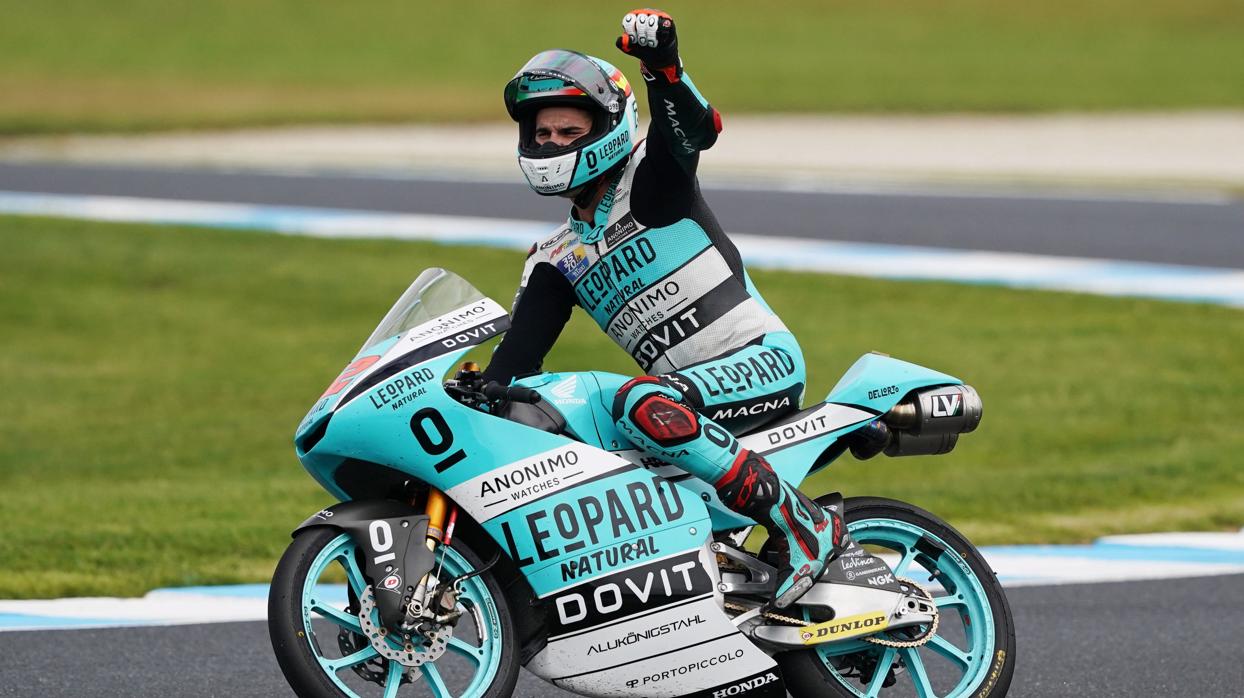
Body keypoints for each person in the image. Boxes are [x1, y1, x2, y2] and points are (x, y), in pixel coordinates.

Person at [484, 9, 847, 609]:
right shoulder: (553, 258)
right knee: (563, 422)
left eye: (568, 132)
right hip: (680, 396)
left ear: (607, 127)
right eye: (542, 134)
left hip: (758, 362)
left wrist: (662, 68)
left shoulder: (652, 186)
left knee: (635, 400)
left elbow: (694, 131)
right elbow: (513, 366)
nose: (550, 144)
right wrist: (463, 395)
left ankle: (805, 524)